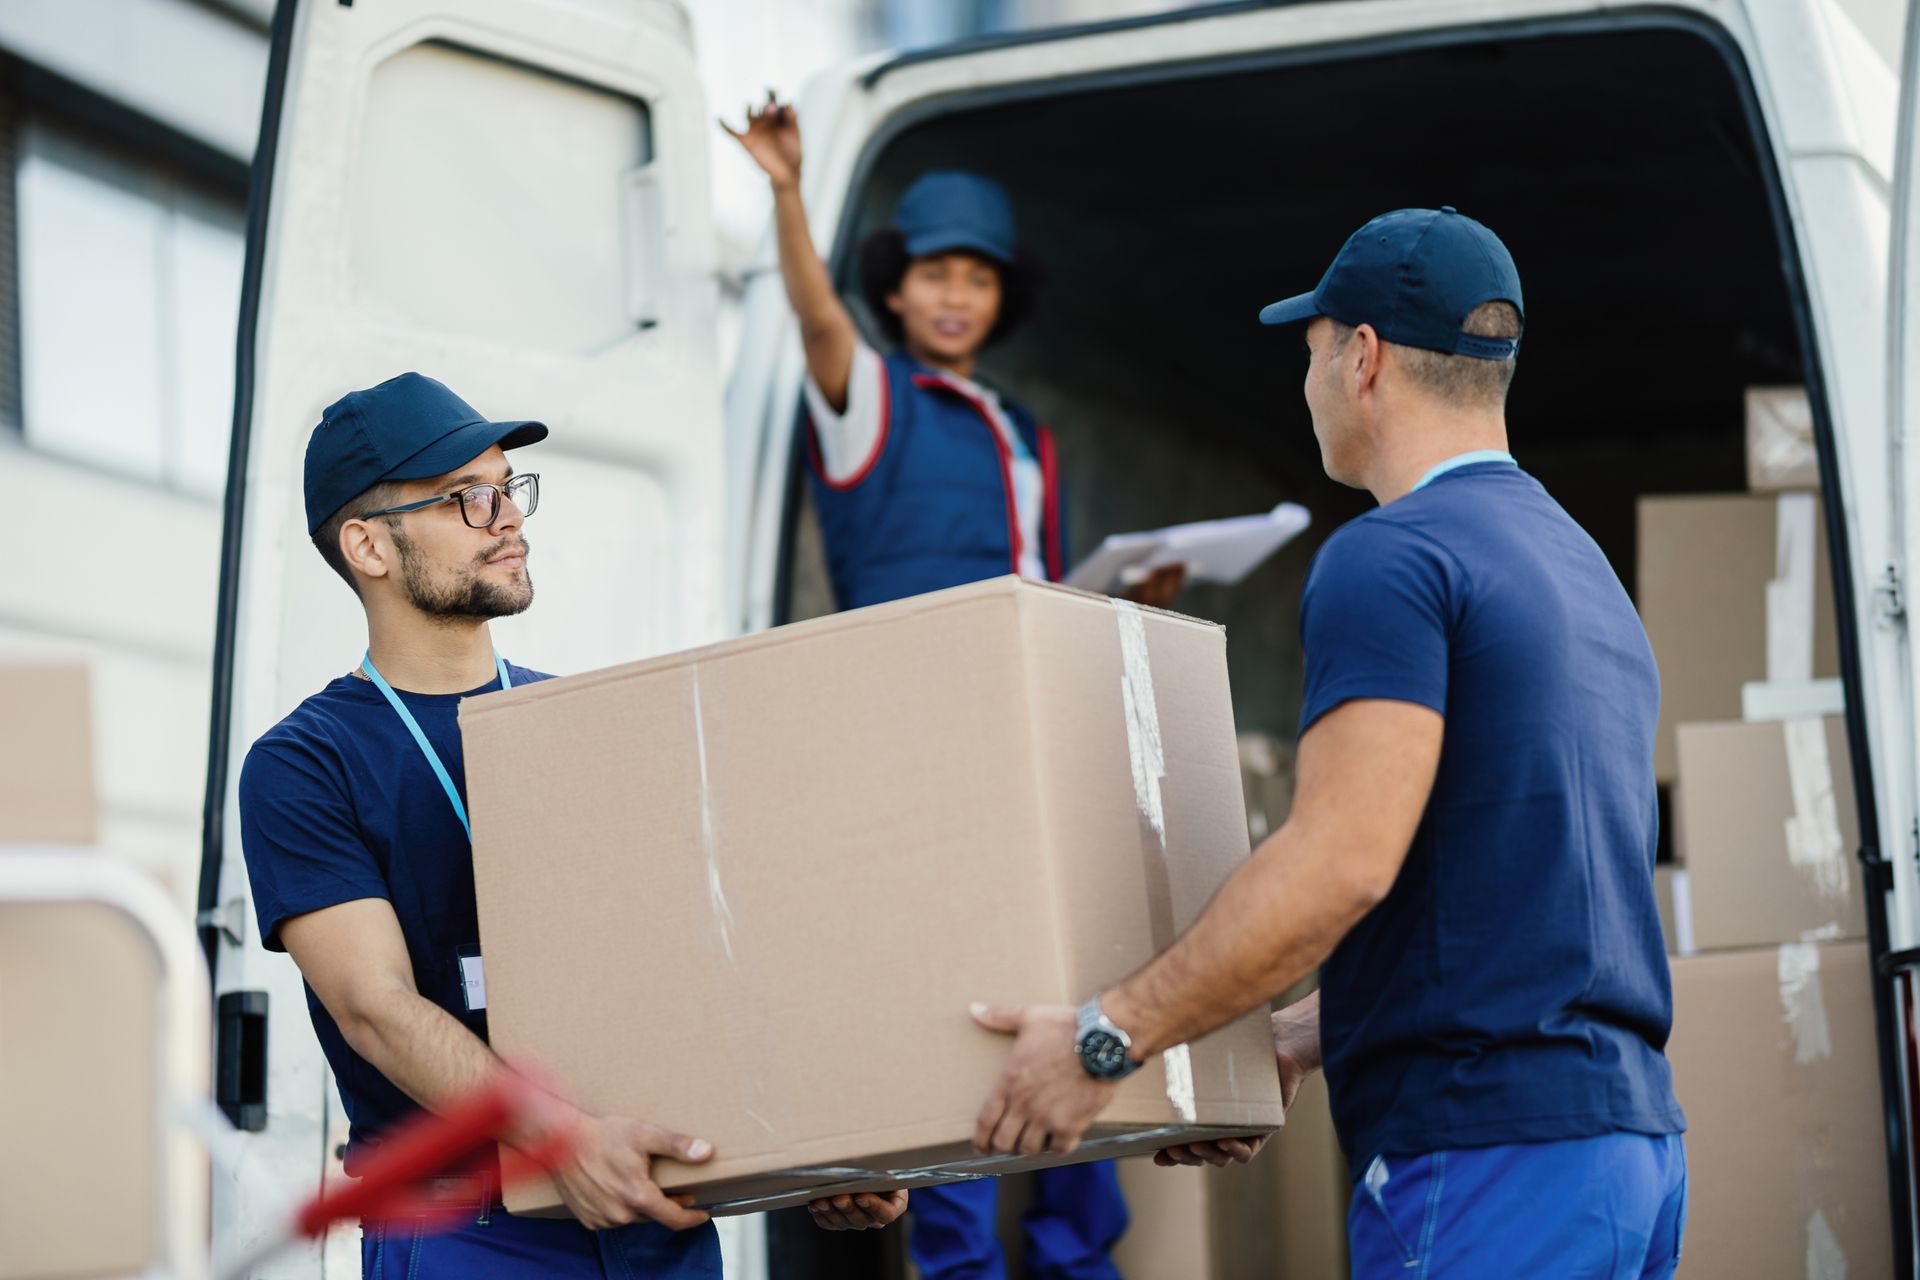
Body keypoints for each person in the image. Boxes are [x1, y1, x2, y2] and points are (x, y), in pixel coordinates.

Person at [968, 208, 1690, 1279]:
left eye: (1308, 352)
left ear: (1362, 356)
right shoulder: (1580, 568)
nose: (1304, 383)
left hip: (1484, 1157)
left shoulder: (1390, 555)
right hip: (1626, 1151)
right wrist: (1303, 1032)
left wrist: (1103, 1037)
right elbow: (1515, 885)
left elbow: (1342, 860)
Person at [239, 372, 907, 1279]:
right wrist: (561, 1141)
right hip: (470, 1234)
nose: (507, 517)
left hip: (653, 1210)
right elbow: (377, 1010)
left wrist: (812, 1145)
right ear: (368, 546)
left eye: (508, 489)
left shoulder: (583, 723)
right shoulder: (306, 761)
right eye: (467, 498)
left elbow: (693, 965)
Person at [722, 97, 1163, 1280]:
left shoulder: (1027, 431)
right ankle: (958, 1264)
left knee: (1075, 1005)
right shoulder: (867, 396)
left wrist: (1125, 592)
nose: (957, 294)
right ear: (899, 291)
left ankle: (1080, 1257)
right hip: (912, 756)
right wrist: (784, 191)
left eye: (977, 276)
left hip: (1026, 746)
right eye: (934, 274)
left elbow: (1041, 587)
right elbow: (816, 315)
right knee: (958, 1023)